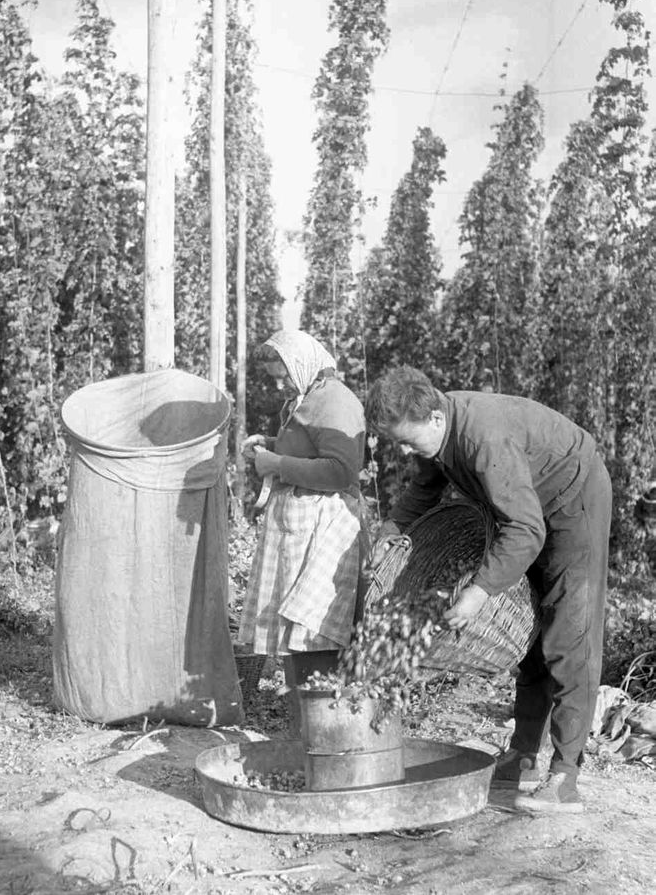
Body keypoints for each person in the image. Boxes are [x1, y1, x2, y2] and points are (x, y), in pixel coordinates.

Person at [366, 366, 612, 814]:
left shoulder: (482, 439)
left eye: (407, 441)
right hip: (528, 511)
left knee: (567, 634)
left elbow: (524, 530)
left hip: (573, 498)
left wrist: (479, 592)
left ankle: (566, 775)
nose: (404, 451)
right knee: (532, 638)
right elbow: (423, 493)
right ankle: (523, 758)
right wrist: (389, 534)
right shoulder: (434, 434)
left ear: (436, 418)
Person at [238, 330, 367, 730]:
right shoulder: (308, 398)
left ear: (303, 363)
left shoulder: (336, 400)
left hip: (325, 525)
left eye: (284, 374)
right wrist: (271, 445)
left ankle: (326, 727)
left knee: (315, 628)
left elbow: (341, 470)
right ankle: (306, 728)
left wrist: (275, 465)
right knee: (297, 629)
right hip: (298, 525)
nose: (281, 384)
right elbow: (308, 448)